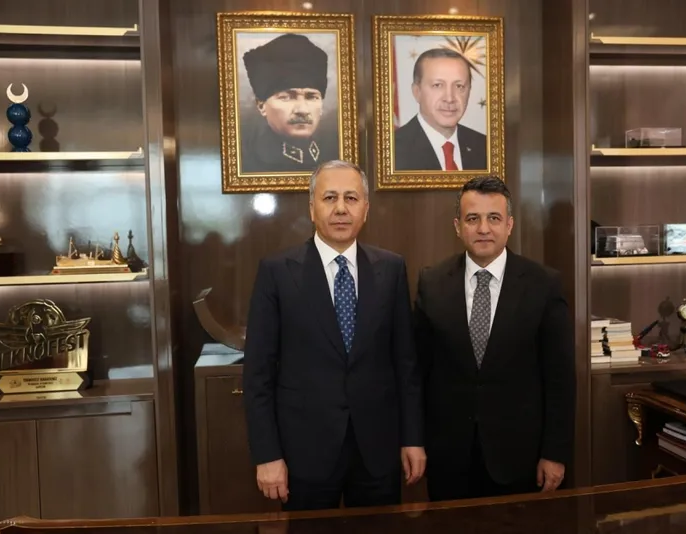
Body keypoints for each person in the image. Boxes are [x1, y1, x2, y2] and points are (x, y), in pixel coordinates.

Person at [243, 160, 426, 511]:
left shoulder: (391, 269)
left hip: (377, 450)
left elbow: (406, 366)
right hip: (304, 453)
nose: (341, 208)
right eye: (330, 198)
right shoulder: (277, 272)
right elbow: (258, 376)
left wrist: (413, 439)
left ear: (365, 209)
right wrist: (267, 455)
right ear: (312, 208)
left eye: (351, 198)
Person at [413, 175, 575, 501]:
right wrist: (414, 441)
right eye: (473, 218)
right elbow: (417, 373)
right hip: (448, 458)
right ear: (458, 226)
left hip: (520, 458)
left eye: (494, 218)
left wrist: (555, 453)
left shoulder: (543, 285)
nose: (483, 228)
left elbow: (560, 379)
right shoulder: (432, 283)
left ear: (509, 225)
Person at [241, 33, 339, 173]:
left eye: (311, 97)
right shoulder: (249, 160)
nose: (302, 110)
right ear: (261, 105)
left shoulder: (334, 154)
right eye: (287, 97)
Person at [394, 48, 487, 172]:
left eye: (459, 86)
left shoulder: (486, 147)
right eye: (437, 85)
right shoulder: (392, 151)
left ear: (469, 91)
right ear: (417, 92)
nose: (449, 98)